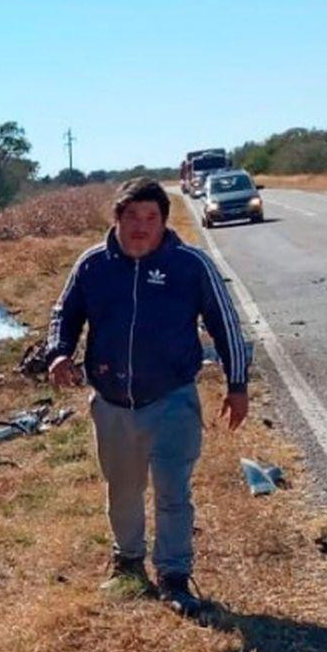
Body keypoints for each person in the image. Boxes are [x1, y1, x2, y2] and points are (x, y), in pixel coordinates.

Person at [47, 177, 249, 617]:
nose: (141, 226)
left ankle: (175, 576)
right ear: (117, 218)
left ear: (164, 220)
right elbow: (65, 312)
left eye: (150, 217)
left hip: (172, 399)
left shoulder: (190, 265)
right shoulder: (93, 265)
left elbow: (226, 323)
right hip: (112, 401)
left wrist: (237, 385)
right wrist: (59, 352)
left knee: (173, 491)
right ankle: (128, 562)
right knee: (123, 489)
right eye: (132, 216)